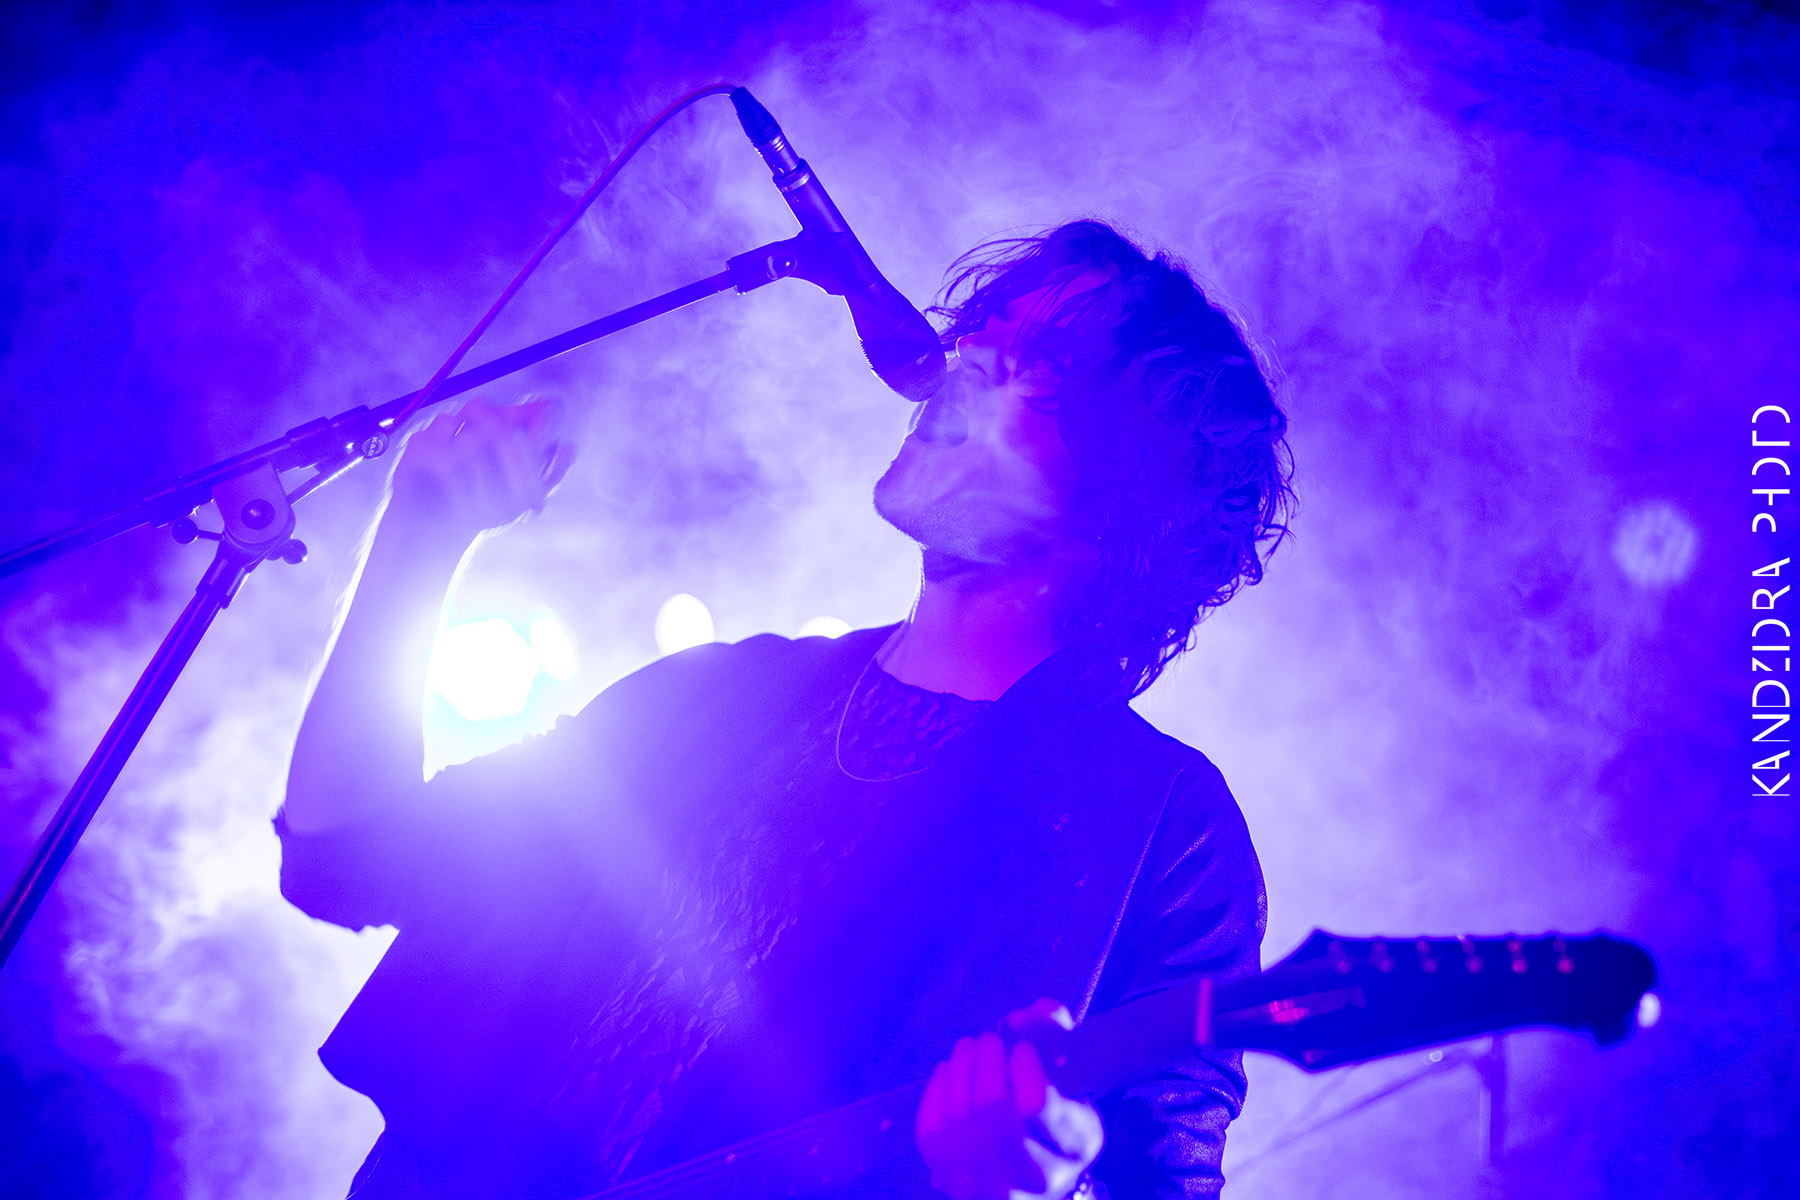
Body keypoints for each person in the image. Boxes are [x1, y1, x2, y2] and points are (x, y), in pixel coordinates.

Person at [279, 219, 1293, 1200]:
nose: (964, 360)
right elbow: (350, 858)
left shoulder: (1157, 830)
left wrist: (1027, 1187)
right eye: (983, 335)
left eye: (1037, 367)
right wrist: (419, 540)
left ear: (1128, 488)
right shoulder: (725, 696)